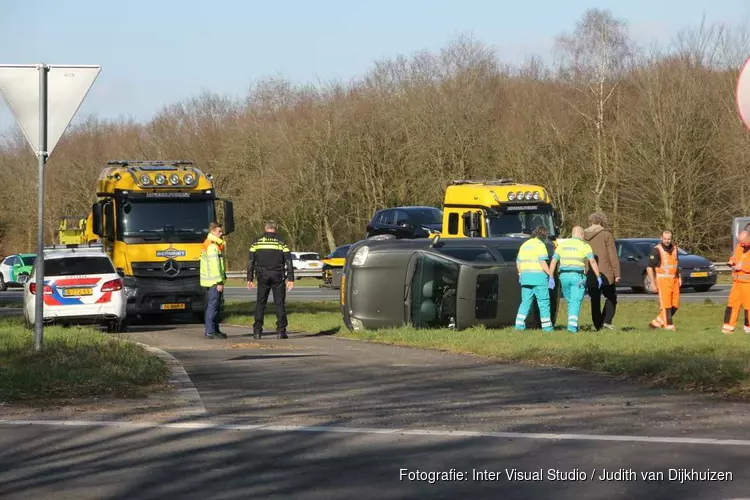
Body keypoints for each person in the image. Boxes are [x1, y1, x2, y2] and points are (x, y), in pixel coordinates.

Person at [246, 221, 295, 339]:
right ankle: (281, 331)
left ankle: (257, 331)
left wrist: (249, 278)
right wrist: (291, 278)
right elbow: (288, 261)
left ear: (265, 228)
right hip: (278, 275)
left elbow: (251, 261)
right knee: (279, 303)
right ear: (276, 228)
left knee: (260, 303)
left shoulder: (257, 241)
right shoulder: (281, 241)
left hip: (262, 275)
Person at [550, 226, 602, 333]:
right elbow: (592, 261)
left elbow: (554, 261)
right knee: (575, 301)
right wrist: (598, 276)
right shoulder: (584, 245)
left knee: (569, 301)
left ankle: (572, 324)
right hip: (577, 277)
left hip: (563, 277)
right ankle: (572, 327)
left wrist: (551, 276)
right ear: (581, 235)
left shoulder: (562, 245)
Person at [584, 211, 621, 330]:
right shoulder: (606, 235)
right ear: (601, 221)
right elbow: (612, 255)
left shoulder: (582, 235)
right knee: (611, 297)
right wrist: (617, 273)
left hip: (589, 271)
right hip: (605, 272)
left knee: (594, 299)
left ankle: (597, 324)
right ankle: (606, 321)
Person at [515, 225, 554, 332]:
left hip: (525, 278)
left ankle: (519, 326)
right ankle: (547, 327)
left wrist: (520, 274)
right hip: (539, 278)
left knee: (525, 302)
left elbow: (518, 262)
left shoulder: (524, 245)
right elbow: (542, 262)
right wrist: (551, 275)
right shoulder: (540, 245)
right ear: (544, 235)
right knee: (544, 303)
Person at [646, 230, 681, 330]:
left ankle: (657, 322)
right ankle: (668, 325)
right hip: (663, 280)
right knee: (666, 305)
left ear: (671, 238)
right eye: (665, 239)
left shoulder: (675, 248)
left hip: (674, 280)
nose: (667, 241)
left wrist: (679, 277)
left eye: (669, 239)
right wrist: (653, 283)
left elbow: (676, 263)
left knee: (675, 304)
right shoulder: (657, 250)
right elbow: (649, 267)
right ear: (661, 238)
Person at [199, 222, 227, 339]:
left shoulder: (209, 243)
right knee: (213, 306)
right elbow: (215, 266)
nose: (221, 234)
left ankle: (214, 329)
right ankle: (210, 331)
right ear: (212, 232)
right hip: (213, 281)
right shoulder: (212, 246)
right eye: (219, 232)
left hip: (209, 280)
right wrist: (219, 282)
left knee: (214, 306)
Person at [722, 230, 750, 334]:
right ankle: (728, 327)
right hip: (737, 282)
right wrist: (731, 261)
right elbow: (734, 256)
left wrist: (742, 266)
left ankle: (748, 328)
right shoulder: (739, 246)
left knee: (748, 306)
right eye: (740, 241)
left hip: (748, 283)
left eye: (743, 242)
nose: (741, 244)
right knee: (732, 304)